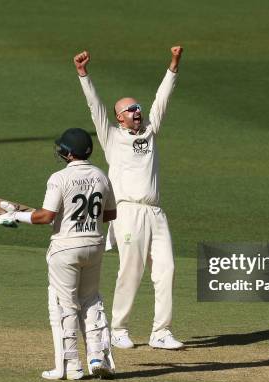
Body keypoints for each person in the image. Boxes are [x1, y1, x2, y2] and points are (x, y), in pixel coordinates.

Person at [73, 46, 184, 350]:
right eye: (131, 110)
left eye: (138, 107)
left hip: (156, 213)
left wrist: (173, 66)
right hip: (128, 212)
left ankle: (161, 332)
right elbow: (94, 106)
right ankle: (119, 328)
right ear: (120, 118)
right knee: (130, 271)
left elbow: (162, 100)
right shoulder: (111, 136)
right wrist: (84, 75)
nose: (138, 111)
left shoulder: (150, 131)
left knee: (167, 270)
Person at [0, 128, 117, 380]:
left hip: (65, 248)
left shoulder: (59, 178)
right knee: (91, 299)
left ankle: (70, 367)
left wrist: (14, 215)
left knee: (65, 305)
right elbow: (111, 214)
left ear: (69, 153)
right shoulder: (101, 175)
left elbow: (45, 216)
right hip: (94, 245)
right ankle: (96, 357)